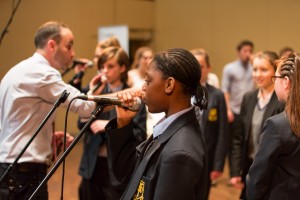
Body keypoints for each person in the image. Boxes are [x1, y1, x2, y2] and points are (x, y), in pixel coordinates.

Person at [0, 21, 97, 200]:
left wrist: (46, 136)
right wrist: (103, 90)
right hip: (25, 172)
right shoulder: (43, 73)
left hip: (7, 168)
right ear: (52, 45)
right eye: (69, 46)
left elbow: (13, 122)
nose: (73, 53)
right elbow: (85, 107)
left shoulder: (17, 70)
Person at [104, 48, 209, 199]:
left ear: (169, 85)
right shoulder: (170, 127)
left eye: (148, 80)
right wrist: (123, 123)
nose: (143, 87)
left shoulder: (179, 154)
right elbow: (129, 172)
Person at [77, 46, 147, 200]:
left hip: (116, 168)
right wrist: (92, 94)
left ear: (122, 68)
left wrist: (109, 125)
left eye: (110, 66)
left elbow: (140, 133)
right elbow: (81, 125)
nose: (105, 71)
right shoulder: (98, 91)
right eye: (102, 67)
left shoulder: (132, 96)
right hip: (92, 166)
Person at [229, 51, 285, 199]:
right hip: (250, 167)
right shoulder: (249, 98)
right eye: (255, 69)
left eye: (264, 70)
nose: (258, 74)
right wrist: (235, 171)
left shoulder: (282, 101)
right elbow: (238, 137)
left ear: (275, 72)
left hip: (274, 171)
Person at [246, 52, 300, 200]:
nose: (274, 82)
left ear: (286, 82)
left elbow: (257, 179)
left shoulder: (277, 125)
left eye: (275, 78)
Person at [190, 48, 229, 199]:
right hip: (183, 154)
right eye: (193, 65)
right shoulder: (180, 93)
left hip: (207, 157)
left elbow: (222, 132)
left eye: (200, 66)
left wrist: (218, 165)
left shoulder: (217, 95)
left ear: (208, 68)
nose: (197, 70)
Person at [221, 40, 255, 178]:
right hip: (234, 110)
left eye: (249, 51)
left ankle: (244, 171)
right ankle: (233, 173)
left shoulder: (254, 67)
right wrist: (228, 110)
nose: (247, 54)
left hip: (249, 111)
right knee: (233, 143)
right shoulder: (229, 68)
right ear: (239, 51)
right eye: (245, 51)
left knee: (246, 141)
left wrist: (254, 62)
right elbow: (225, 90)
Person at [127, 46, 164, 137]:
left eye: (151, 57)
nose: (148, 60)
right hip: (138, 109)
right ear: (138, 59)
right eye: (145, 57)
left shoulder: (155, 76)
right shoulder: (130, 75)